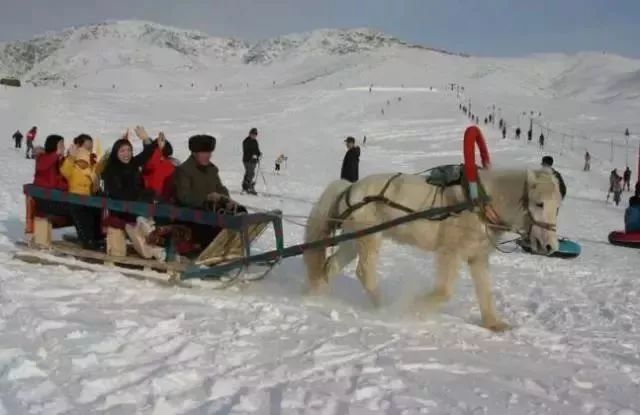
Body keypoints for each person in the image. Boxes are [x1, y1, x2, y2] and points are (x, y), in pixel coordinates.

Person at [174, 135, 246, 249]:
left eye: (209, 152)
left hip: (211, 211)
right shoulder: (184, 170)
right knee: (212, 225)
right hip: (191, 215)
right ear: (194, 153)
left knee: (238, 214)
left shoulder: (212, 169)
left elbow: (220, 188)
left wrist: (227, 200)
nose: (208, 156)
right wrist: (206, 198)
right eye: (204, 153)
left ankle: (231, 247)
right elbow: (183, 197)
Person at [102, 128, 161, 259]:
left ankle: (156, 245)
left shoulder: (132, 163)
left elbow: (146, 154)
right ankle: (152, 250)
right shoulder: (112, 169)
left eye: (129, 150)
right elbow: (118, 194)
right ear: (116, 153)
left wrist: (147, 139)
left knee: (151, 208)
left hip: (137, 207)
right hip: (121, 210)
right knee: (140, 222)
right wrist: (140, 197)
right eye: (122, 151)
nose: (126, 154)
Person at [141, 131, 177, 202]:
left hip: (159, 200)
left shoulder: (168, 164)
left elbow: (154, 163)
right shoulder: (171, 163)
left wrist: (159, 149)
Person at [242, 127, 261, 195]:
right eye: (253, 134)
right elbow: (246, 151)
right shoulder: (246, 141)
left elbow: (257, 149)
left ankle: (245, 186)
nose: (254, 136)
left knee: (249, 173)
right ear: (250, 134)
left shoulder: (255, 141)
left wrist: (259, 154)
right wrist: (253, 155)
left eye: (255, 134)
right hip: (247, 160)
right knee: (250, 173)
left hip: (254, 160)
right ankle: (248, 187)